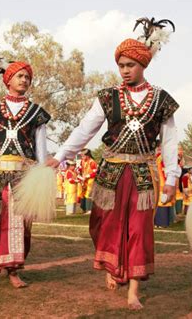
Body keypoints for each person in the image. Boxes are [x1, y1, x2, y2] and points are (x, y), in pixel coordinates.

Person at [46, 17, 179, 309]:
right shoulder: (108, 97)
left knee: (139, 230)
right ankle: (112, 266)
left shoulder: (161, 100)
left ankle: (133, 289)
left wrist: (172, 177)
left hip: (143, 174)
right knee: (103, 225)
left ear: (143, 65)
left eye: (130, 65)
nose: (125, 70)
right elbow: (86, 129)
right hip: (110, 173)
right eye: (121, 65)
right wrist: (61, 156)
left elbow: (169, 142)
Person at [0, 59, 50, 288]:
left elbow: (41, 147)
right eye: (20, 76)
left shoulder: (36, 113)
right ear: (8, 79)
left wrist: (42, 174)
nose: (24, 80)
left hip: (24, 175)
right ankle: (2, 258)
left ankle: (13, 269)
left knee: (18, 222)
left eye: (27, 77)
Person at [77, 148, 98, 213]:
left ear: (87, 155)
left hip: (90, 180)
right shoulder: (82, 161)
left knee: (89, 194)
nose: (82, 157)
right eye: (81, 156)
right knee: (82, 193)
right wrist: (78, 170)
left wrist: (87, 176)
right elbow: (80, 168)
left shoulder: (92, 162)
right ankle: (84, 208)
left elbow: (95, 172)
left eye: (83, 156)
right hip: (84, 180)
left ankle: (89, 209)